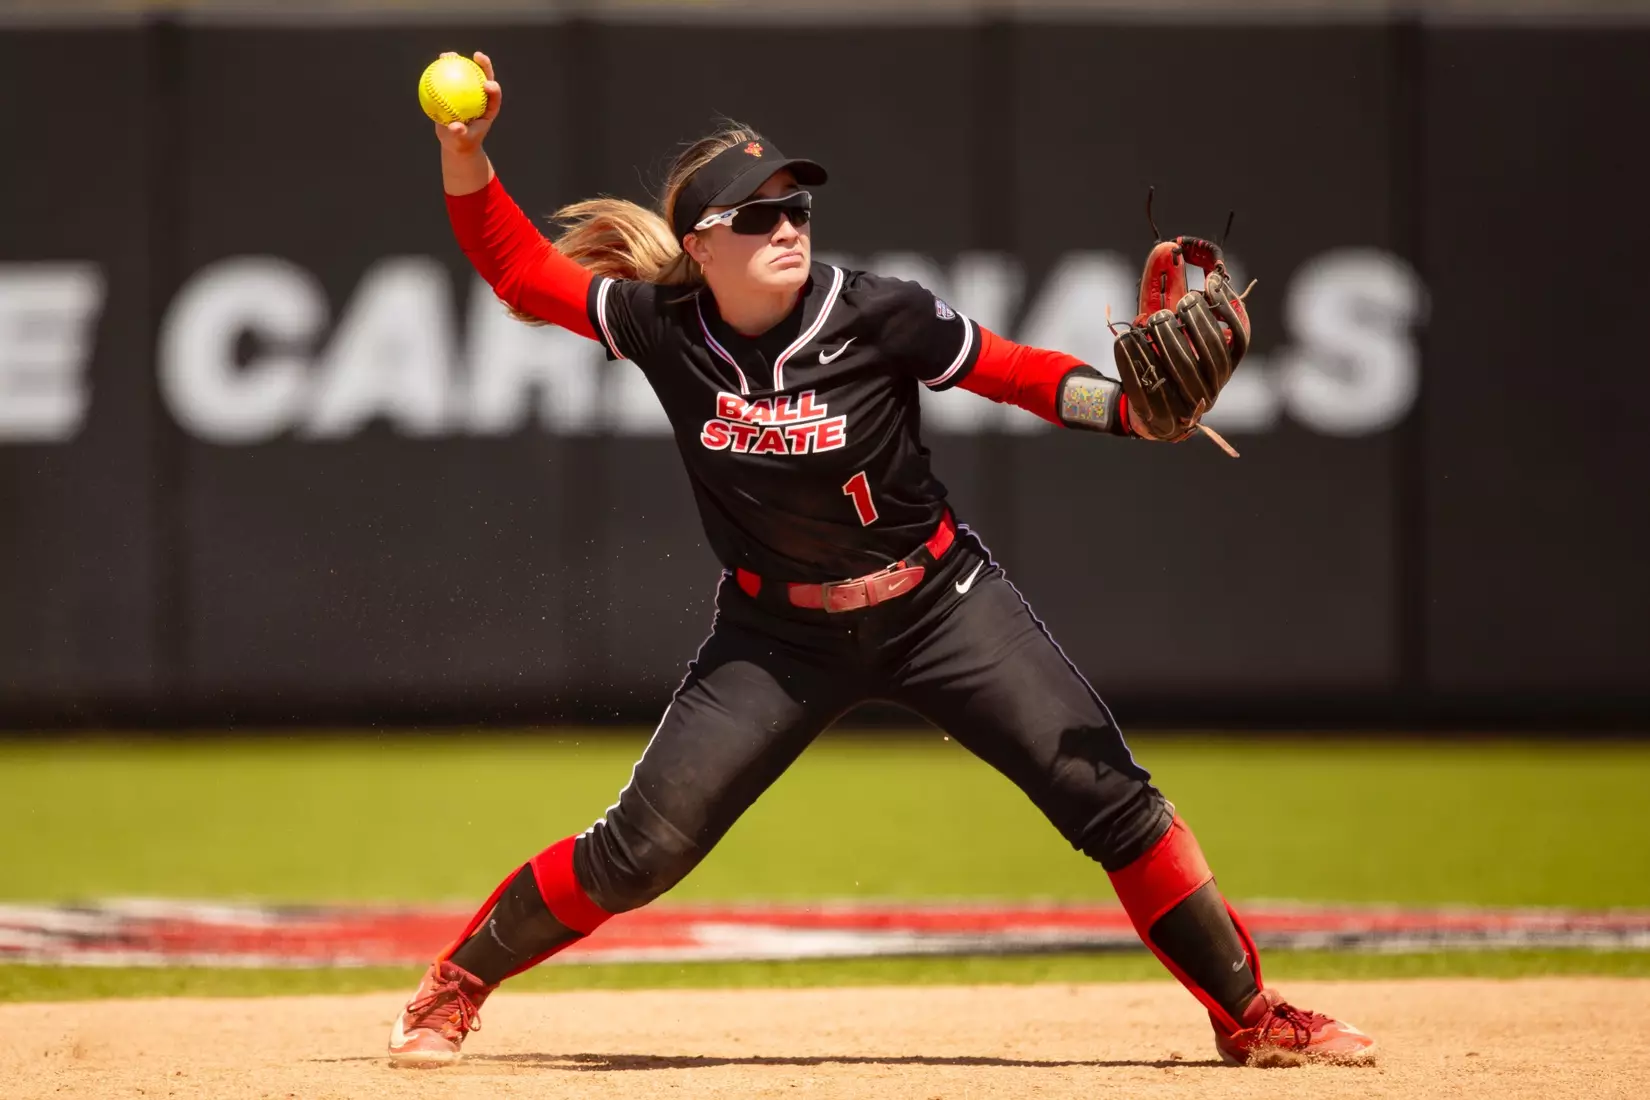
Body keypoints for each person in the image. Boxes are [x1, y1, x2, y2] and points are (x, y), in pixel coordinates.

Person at [388, 50, 1377, 1070]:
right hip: (777, 635)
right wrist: (465, 151)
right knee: (643, 848)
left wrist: (1124, 408)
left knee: (1110, 795)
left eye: (797, 212)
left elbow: (1015, 372)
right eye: (759, 216)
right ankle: (455, 982)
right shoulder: (661, 326)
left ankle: (1250, 1014)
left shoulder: (876, 311)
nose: (788, 229)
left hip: (939, 602)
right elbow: (516, 268)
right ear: (702, 244)